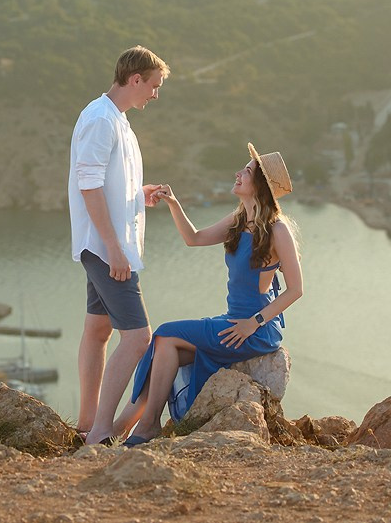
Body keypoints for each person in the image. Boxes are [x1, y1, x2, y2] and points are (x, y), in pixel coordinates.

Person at [114, 143, 304, 446]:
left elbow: (296, 289)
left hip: (254, 329)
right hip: (232, 321)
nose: (239, 173)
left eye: (248, 170)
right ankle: (140, 425)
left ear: (262, 185)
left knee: (164, 334)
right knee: (167, 349)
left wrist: (252, 323)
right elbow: (194, 238)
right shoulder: (239, 219)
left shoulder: (277, 230)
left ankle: (134, 424)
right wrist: (174, 203)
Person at [69, 45, 169, 446]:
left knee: (98, 330)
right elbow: (87, 184)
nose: (155, 94)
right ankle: (101, 433)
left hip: (107, 244)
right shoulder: (100, 119)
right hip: (108, 248)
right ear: (135, 79)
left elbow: (106, 182)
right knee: (138, 337)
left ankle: (85, 423)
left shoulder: (119, 120)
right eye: (154, 86)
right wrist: (113, 248)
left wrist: (136, 193)